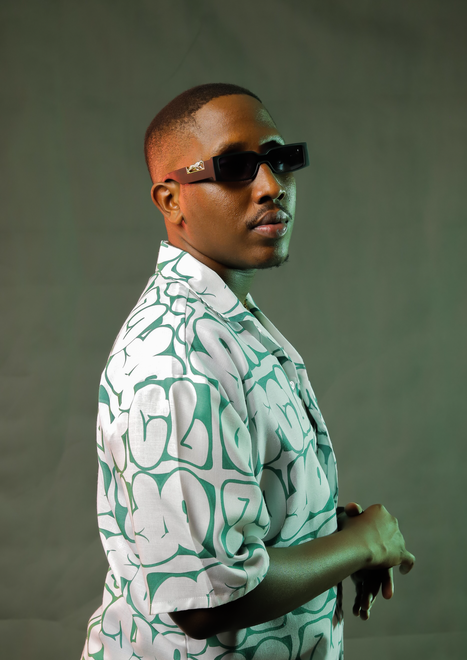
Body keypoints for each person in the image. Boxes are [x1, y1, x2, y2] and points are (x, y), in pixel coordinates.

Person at [81, 83, 415, 660]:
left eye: (280, 160)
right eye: (235, 167)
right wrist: (361, 545)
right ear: (171, 200)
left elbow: (233, 506)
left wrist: (320, 531)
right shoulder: (177, 359)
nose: (271, 185)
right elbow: (206, 601)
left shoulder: (223, 321)